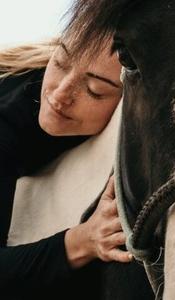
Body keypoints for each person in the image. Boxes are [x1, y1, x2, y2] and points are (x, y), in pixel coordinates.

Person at [0, 36, 132, 299]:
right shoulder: (10, 118)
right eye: (59, 63)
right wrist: (84, 240)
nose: (59, 95)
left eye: (94, 90)